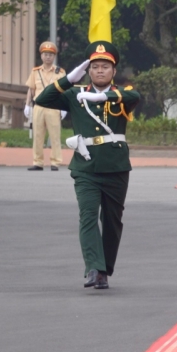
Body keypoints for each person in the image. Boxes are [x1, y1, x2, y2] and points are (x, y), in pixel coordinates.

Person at [33, 43, 140, 289]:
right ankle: (94, 268)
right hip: (86, 168)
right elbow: (42, 98)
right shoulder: (75, 94)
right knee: (88, 216)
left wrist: (101, 96)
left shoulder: (122, 94)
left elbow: (135, 96)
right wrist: (69, 79)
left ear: (114, 71)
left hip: (115, 167)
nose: (100, 71)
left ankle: (105, 269)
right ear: (88, 70)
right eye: (94, 67)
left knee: (112, 221)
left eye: (105, 67)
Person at [24, 42, 67, 171]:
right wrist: (27, 105)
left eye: (50, 55)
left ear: (54, 57)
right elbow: (31, 89)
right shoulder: (35, 72)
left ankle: (55, 162)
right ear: (41, 56)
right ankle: (38, 162)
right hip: (39, 107)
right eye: (45, 54)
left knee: (55, 135)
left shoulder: (60, 73)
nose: (48, 57)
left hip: (54, 107)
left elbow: (65, 91)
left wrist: (64, 107)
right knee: (37, 135)